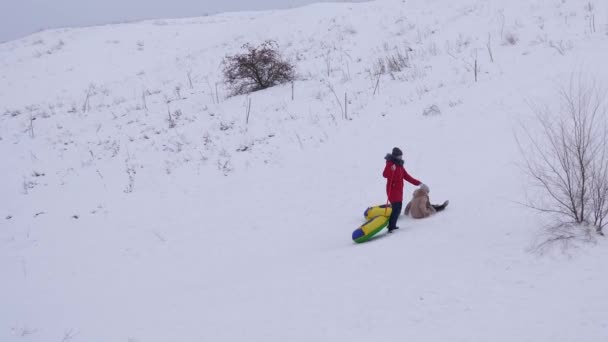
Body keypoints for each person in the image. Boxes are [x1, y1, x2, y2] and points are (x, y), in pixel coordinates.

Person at [383, 147, 424, 233]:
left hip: (399, 191)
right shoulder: (390, 164)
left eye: (401, 156)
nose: (400, 158)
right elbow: (385, 174)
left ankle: (392, 225)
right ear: (395, 156)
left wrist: (419, 183)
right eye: (399, 156)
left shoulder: (400, 166)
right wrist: (391, 169)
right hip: (392, 190)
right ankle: (391, 227)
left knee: (398, 207)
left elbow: (407, 177)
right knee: (396, 208)